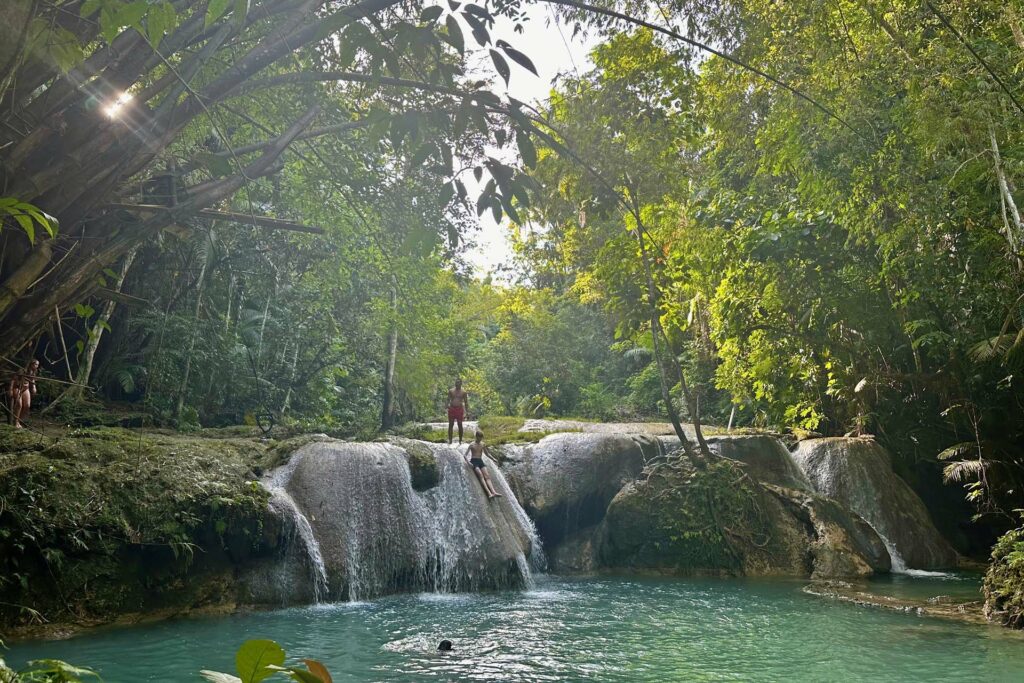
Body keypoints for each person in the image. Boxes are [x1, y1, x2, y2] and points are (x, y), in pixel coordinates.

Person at [465, 430, 503, 499]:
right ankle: (489, 493)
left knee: (487, 476)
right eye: (479, 438)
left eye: (481, 438)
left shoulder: (482, 444)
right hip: (474, 461)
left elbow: (487, 454)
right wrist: (469, 463)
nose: (480, 439)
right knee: (481, 476)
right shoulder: (472, 445)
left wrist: (493, 459)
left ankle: (494, 492)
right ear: (476, 437)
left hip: (480, 461)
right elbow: (465, 455)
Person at [8, 359, 39, 429]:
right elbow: (13, 379)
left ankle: (18, 421)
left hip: (26, 388)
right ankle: (15, 422)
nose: (37, 366)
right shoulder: (23, 370)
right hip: (18, 387)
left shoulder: (34, 372)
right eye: (36, 364)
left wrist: (34, 387)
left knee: (27, 405)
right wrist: (10, 389)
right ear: (31, 364)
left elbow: (33, 380)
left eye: (37, 365)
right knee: (19, 404)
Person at [447, 379, 470, 445]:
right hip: (452, 409)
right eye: (456, 383)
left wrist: (467, 411)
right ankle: (450, 440)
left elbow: (466, 402)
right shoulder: (451, 391)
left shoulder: (463, 392)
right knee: (451, 424)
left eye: (458, 383)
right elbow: (448, 399)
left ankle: (460, 440)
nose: (457, 384)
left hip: (459, 409)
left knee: (460, 424)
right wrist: (446, 406)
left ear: (461, 384)